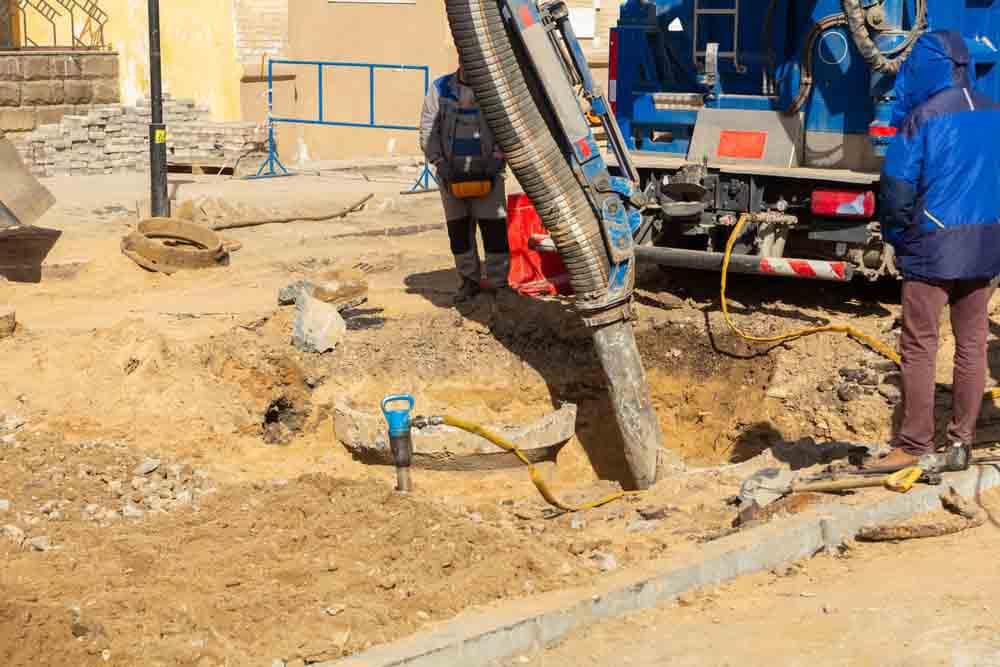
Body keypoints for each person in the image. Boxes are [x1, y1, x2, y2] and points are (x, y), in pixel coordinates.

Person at [876, 30, 1000, 471]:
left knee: (920, 344)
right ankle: (962, 442)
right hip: (985, 245)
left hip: (933, 246)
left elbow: (896, 191)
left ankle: (914, 444)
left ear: (925, 68)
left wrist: (896, 236)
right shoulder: (994, 111)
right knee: (972, 343)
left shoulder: (922, 119)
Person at [419, 63, 510, 305]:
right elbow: (428, 129)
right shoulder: (439, 89)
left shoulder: (494, 89)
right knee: (459, 232)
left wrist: (498, 159)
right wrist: (439, 162)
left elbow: (508, 128)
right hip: (452, 176)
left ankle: (498, 284)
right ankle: (468, 281)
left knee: (494, 231)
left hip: (488, 174)